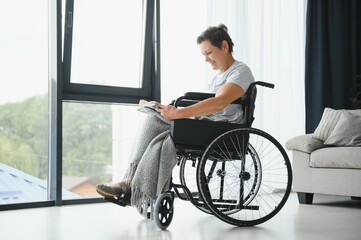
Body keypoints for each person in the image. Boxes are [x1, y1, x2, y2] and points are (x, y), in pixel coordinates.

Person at [96, 24, 255, 213]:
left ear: (224, 46)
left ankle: (134, 187)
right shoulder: (217, 78)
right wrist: (170, 110)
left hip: (223, 130)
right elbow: (208, 105)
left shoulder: (240, 72)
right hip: (209, 125)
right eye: (203, 55)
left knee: (159, 130)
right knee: (155, 122)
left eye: (209, 53)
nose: (206, 59)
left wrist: (178, 113)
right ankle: (131, 183)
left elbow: (218, 103)